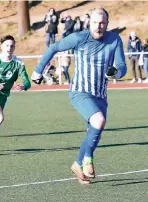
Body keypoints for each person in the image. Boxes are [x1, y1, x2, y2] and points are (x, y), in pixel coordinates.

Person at [31, 7, 127, 184]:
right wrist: (38, 71)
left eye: (102, 23)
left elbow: (122, 66)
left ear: (107, 23)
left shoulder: (115, 39)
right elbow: (54, 47)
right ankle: (87, 159)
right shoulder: (79, 38)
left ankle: (77, 164)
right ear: (90, 22)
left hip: (100, 95)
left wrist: (115, 73)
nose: (98, 26)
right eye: (95, 23)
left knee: (94, 130)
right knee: (99, 121)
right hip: (80, 91)